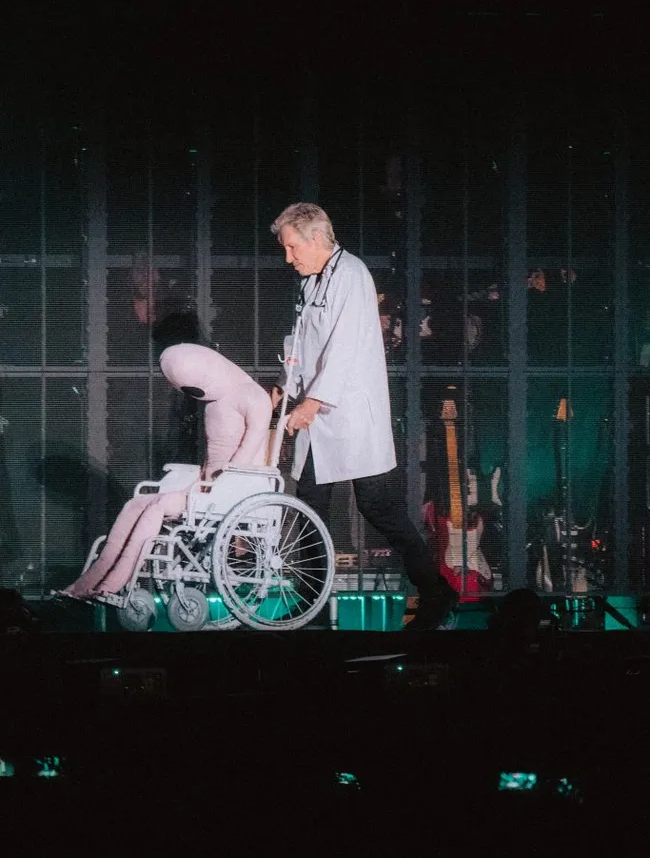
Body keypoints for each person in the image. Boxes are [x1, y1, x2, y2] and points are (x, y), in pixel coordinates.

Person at [270, 202, 459, 630]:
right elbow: (300, 341)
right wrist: (284, 385)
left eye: (292, 247)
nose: (289, 257)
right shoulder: (311, 281)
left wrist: (311, 404)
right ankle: (312, 604)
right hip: (319, 418)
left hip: (351, 416)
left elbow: (345, 348)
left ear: (316, 238)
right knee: (311, 507)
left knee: (378, 506)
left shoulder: (351, 275)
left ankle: (436, 591)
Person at [59, 343, 272, 599]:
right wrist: (204, 482)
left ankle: (113, 581)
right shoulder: (216, 403)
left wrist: (219, 482)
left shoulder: (253, 397)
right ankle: (92, 577)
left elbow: (247, 452)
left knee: (157, 507)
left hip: (233, 488)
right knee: (135, 504)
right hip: (207, 487)